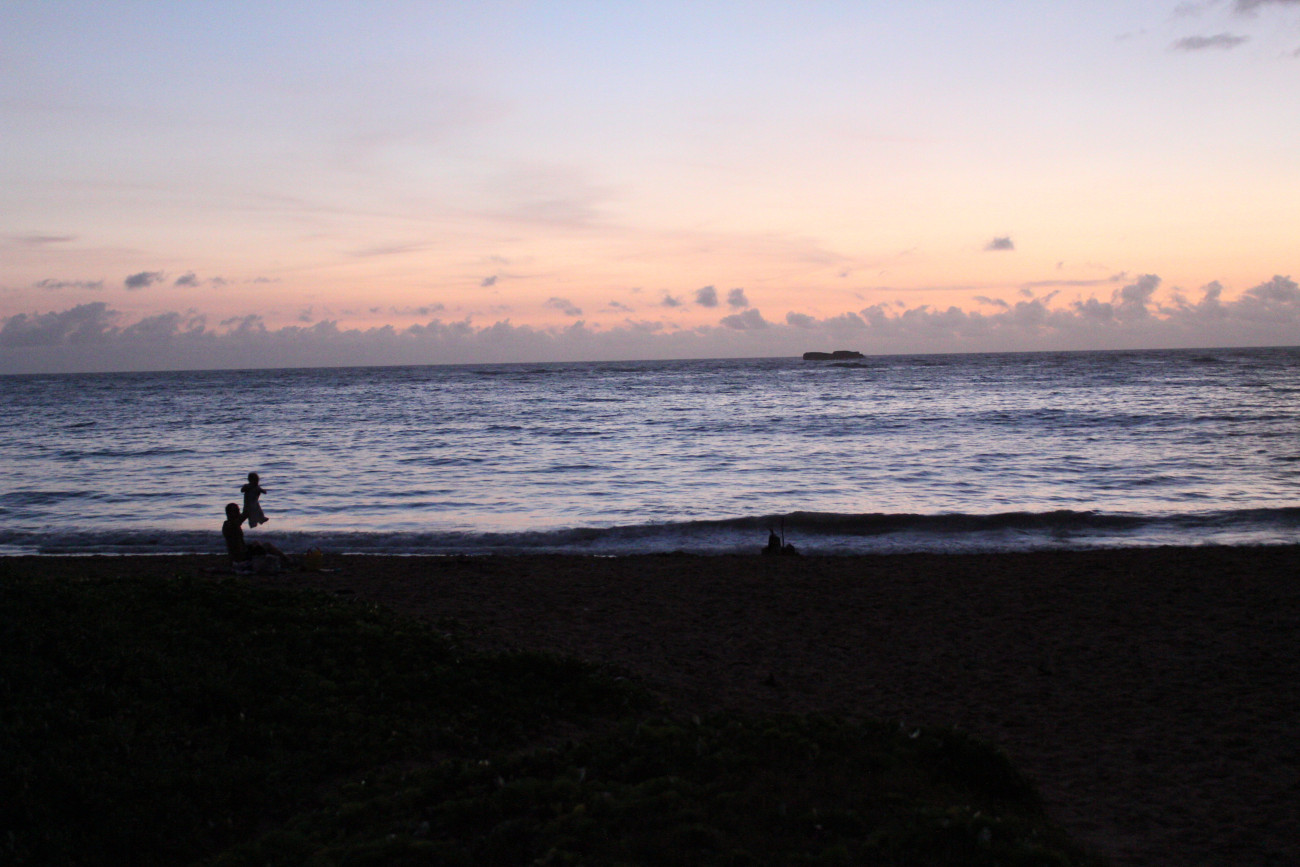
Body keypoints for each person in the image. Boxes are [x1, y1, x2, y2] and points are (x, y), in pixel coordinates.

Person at [222, 502, 289, 572]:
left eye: (238, 511)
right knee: (267, 545)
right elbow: (244, 516)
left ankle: (284, 560)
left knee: (256, 543)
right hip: (241, 557)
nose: (238, 513)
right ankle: (287, 560)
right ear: (229, 513)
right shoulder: (230, 525)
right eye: (235, 511)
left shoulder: (230, 524)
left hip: (242, 553)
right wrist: (250, 506)